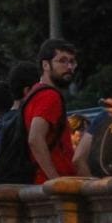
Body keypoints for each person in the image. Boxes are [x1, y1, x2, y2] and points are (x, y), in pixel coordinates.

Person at [24, 39, 79, 182]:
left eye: (72, 62)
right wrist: (55, 181)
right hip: (51, 190)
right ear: (45, 65)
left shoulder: (34, 93)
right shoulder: (50, 96)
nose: (69, 67)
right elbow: (35, 138)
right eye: (62, 61)